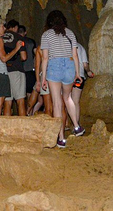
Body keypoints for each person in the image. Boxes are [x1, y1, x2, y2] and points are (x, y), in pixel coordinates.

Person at [39, 10, 84, 148]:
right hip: (69, 65)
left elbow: (45, 58)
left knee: (57, 103)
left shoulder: (46, 35)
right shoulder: (70, 33)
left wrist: (43, 77)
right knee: (68, 97)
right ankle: (76, 126)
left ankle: (61, 139)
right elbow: (75, 55)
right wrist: (77, 73)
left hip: (54, 66)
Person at [2, 20, 27, 116]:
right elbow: (24, 57)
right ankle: (23, 128)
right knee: (20, 100)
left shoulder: (0, 37)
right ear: (16, 27)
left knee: (7, 101)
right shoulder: (19, 38)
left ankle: (7, 128)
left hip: (4, 71)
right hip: (16, 70)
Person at [70, 43, 94, 125]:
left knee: (66, 100)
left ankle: (67, 123)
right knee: (75, 101)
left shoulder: (64, 44)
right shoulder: (80, 47)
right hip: (79, 77)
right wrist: (88, 71)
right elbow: (85, 64)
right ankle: (76, 124)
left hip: (67, 76)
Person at [19, 26, 39, 113]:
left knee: (21, 94)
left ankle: (23, 112)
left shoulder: (16, 41)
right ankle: (29, 112)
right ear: (25, 32)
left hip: (20, 70)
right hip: (31, 69)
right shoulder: (31, 41)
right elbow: (36, 54)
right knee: (30, 92)